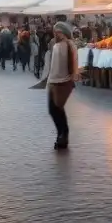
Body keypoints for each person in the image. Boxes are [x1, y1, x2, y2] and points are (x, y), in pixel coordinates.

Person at [44, 22, 79, 150]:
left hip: (64, 81)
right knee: (52, 110)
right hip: (53, 81)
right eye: (55, 31)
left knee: (57, 108)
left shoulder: (70, 45)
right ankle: (61, 133)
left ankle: (63, 136)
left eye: (58, 31)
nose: (56, 34)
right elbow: (51, 63)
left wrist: (74, 76)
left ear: (63, 32)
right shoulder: (55, 44)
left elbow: (74, 61)